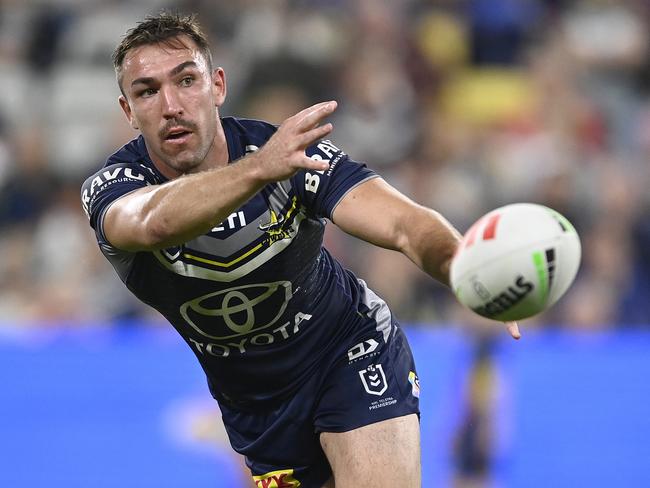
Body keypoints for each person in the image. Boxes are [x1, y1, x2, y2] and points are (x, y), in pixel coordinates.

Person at [81, 12, 520, 488]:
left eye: (187, 80)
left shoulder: (285, 155)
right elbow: (154, 223)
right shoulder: (116, 188)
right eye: (148, 91)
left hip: (349, 349)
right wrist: (257, 171)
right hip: (256, 409)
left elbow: (403, 223)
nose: (171, 105)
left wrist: (462, 265)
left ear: (218, 87)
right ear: (128, 112)